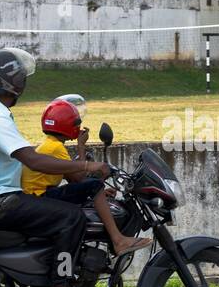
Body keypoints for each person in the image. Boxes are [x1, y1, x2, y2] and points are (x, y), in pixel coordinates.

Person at [0, 48, 112, 287]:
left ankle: (55, 284)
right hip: (4, 200)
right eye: (20, 76)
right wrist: (86, 166)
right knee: (71, 219)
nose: (23, 81)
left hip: (0, 195)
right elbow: (34, 160)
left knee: (60, 205)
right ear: (10, 82)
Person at [22, 97, 150, 256]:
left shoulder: (49, 143)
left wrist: (99, 195)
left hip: (38, 196)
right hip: (40, 197)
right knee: (93, 185)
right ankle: (118, 240)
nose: (79, 127)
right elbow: (79, 178)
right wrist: (81, 146)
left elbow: (72, 180)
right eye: (76, 124)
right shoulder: (55, 147)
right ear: (66, 125)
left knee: (94, 188)